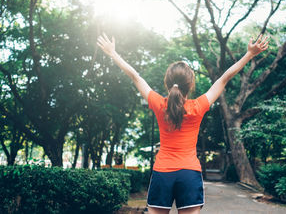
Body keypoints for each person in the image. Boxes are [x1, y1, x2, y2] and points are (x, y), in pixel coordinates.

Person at [97, 33, 269, 214]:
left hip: (162, 172)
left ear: (168, 83)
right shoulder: (198, 106)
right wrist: (249, 54)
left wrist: (113, 54)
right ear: (191, 84)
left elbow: (136, 77)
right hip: (189, 173)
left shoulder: (159, 104)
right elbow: (223, 79)